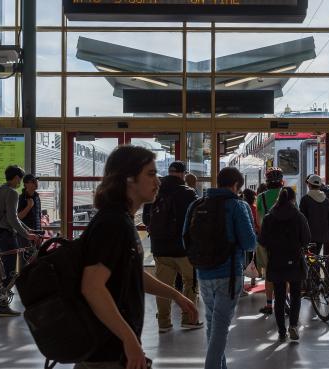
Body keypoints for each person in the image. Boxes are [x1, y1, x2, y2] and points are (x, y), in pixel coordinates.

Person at [78, 145, 198, 369]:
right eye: (151, 174)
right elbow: (92, 287)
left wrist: (177, 296)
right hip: (106, 353)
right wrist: (129, 340)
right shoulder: (113, 223)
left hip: (114, 350)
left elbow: (131, 273)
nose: (158, 182)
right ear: (129, 178)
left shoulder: (121, 220)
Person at [183, 167, 256, 369]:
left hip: (203, 273)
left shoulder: (196, 204)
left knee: (212, 323)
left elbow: (185, 239)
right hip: (229, 274)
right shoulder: (237, 206)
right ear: (235, 186)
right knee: (221, 327)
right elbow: (249, 243)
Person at [147, 161, 202, 333]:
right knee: (190, 283)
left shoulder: (155, 191)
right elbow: (196, 220)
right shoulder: (188, 193)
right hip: (183, 249)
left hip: (159, 248)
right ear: (183, 174)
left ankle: (164, 323)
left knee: (164, 286)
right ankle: (188, 319)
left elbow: (146, 219)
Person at [0, 165, 39, 317]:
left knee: (6, 271)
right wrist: (27, 236)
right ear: (15, 178)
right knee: (13, 272)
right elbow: (12, 219)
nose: (20, 182)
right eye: (20, 179)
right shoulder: (12, 193)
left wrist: (28, 231)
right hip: (6, 235)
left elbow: (12, 219)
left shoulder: (0, 190)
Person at [259, 187, 310, 342]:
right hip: (294, 260)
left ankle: (281, 331)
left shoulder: (269, 217)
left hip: (276, 261)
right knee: (295, 295)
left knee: (280, 297)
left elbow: (262, 240)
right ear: (293, 199)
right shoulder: (299, 216)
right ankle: (293, 326)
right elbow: (306, 238)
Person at [255, 168, 284, 315]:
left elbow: (259, 221)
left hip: (269, 241)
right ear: (281, 181)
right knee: (286, 273)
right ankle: (285, 302)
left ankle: (269, 304)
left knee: (270, 273)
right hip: (286, 241)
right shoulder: (288, 195)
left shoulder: (261, 197)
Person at [299, 174, 329, 256]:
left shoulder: (305, 199)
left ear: (309, 185)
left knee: (309, 257)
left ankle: (313, 268)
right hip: (322, 235)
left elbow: (302, 219)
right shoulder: (326, 200)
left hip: (309, 235)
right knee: (316, 256)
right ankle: (316, 268)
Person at [17, 174, 42, 247]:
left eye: (36, 181)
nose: (36, 183)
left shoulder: (37, 197)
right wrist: (29, 206)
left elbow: (38, 216)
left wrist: (39, 232)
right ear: (26, 184)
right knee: (25, 257)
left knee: (37, 256)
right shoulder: (21, 198)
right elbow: (18, 217)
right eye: (33, 181)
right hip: (25, 235)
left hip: (37, 233)